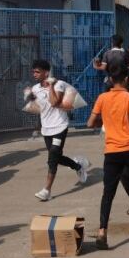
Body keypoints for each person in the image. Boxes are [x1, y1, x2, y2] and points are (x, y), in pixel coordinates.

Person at [87, 64, 129, 249]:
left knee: (108, 192)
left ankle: (102, 232)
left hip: (112, 152)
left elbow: (90, 122)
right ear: (125, 79)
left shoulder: (102, 98)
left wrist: (107, 119)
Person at [29, 60, 89, 201]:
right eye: (33, 72)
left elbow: (55, 102)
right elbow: (36, 106)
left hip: (60, 126)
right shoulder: (35, 88)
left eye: (37, 71)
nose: (34, 74)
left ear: (46, 72)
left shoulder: (59, 84)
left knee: (52, 158)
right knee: (56, 157)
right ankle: (78, 166)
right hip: (46, 129)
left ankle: (47, 190)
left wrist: (50, 86)